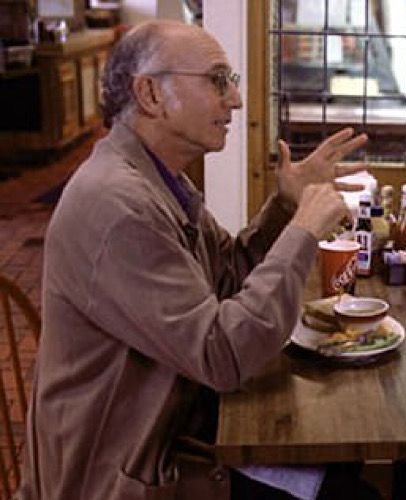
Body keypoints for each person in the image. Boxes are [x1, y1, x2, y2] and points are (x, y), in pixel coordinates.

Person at [18, 21, 373, 499]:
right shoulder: (116, 203)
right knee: (344, 491)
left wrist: (286, 207)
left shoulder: (159, 179)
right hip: (123, 473)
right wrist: (304, 230)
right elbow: (223, 355)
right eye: (217, 80)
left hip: (175, 431)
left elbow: (226, 278)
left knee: (341, 474)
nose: (236, 101)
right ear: (150, 94)